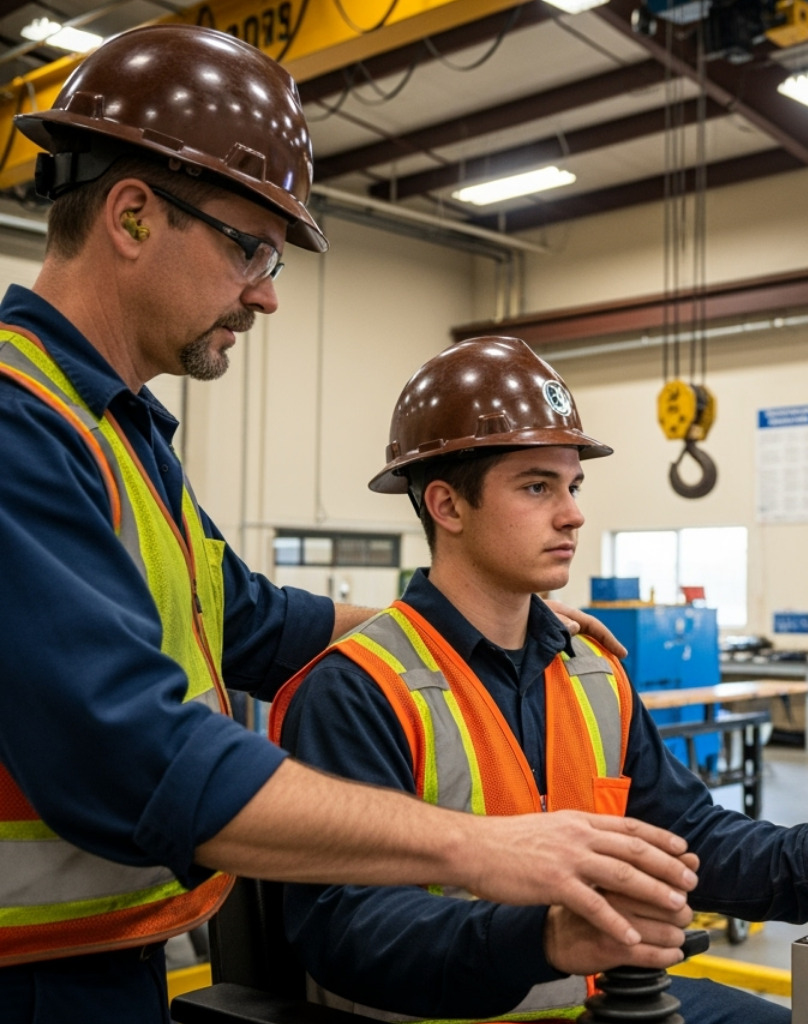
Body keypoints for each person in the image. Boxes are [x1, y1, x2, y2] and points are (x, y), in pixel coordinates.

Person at [0, 26, 697, 1024]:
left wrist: (485, 625)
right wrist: (479, 843)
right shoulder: (19, 425)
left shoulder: (117, 433)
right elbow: (134, 755)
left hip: (95, 958)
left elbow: (249, 618)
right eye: (250, 248)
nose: (267, 294)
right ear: (134, 216)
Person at [270, 336, 808, 1024]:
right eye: (537, 486)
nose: (573, 513)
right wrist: (542, 940)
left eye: (573, 485)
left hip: (605, 999)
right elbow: (350, 929)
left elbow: (687, 839)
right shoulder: (357, 689)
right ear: (447, 506)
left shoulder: (592, 669)